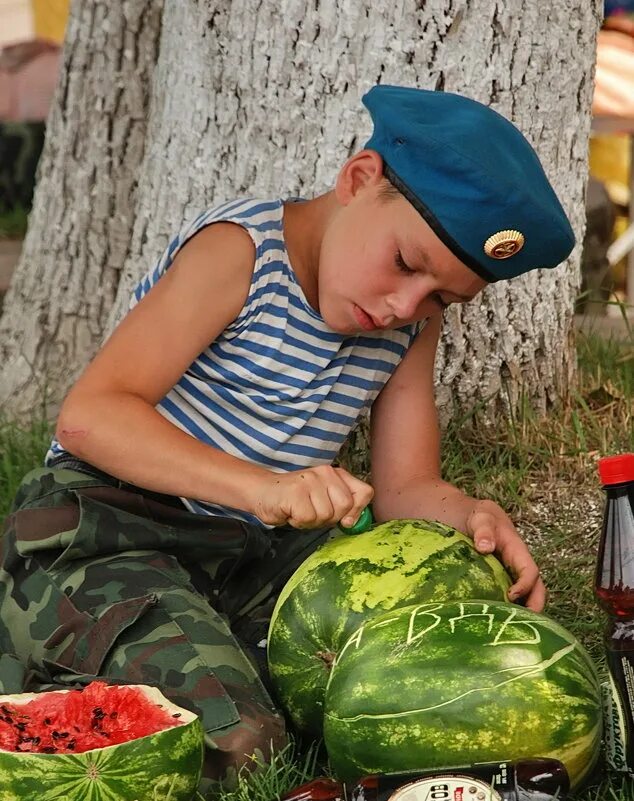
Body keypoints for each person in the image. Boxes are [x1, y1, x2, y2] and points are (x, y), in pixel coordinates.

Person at [0, 85, 575, 793]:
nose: (404, 305)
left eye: (441, 297)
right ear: (358, 179)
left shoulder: (408, 326)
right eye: (404, 261)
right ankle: (44, 648)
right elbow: (91, 416)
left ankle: (134, 652)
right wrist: (264, 488)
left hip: (251, 555)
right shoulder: (241, 254)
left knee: (383, 686)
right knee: (242, 740)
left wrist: (470, 515)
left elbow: (406, 487)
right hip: (112, 525)